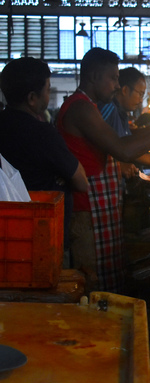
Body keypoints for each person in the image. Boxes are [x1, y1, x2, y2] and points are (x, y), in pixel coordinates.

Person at [56, 47, 150, 293]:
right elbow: (123, 150)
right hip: (87, 210)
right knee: (94, 284)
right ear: (95, 76)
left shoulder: (90, 107)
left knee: (109, 277)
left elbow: (126, 141)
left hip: (100, 207)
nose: (117, 86)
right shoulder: (80, 108)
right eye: (113, 78)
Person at [0, 57, 88, 252]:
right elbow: (81, 182)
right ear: (32, 98)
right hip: (43, 235)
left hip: (7, 234)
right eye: (48, 90)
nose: (49, 95)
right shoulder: (41, 133)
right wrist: (60, 179)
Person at [99, 67, 150, 177]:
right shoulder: (109, 110)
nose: (141, 100)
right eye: (140, 94)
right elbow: (126, 150)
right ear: (125, 90)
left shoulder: (121, 113)